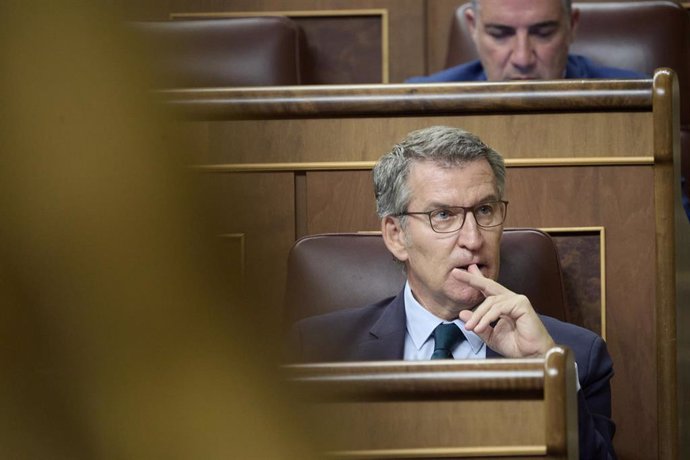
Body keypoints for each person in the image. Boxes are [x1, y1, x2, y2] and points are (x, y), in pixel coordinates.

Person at [287, 126, 616, 459]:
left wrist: (546, 373)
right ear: (396, 236)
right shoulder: (315, 350)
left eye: (485, 210)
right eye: (442, 215)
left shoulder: (576, 357)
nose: (473, 240)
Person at [407, 0, 643, 82]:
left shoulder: (640, 101)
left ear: (572, 25)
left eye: (543, 33)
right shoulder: (421, 105)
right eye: (500, 34)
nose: (522, 58)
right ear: (472, 27)